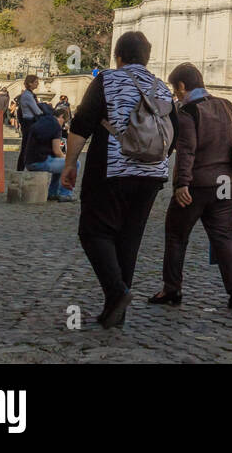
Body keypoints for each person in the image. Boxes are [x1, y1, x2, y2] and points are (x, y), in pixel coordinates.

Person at [61, 31, 176, 329]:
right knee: (129, 239)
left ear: (118, 56)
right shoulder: (163, 88)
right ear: (147, 58)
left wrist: (70, 164)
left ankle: (116, 292)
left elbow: (83, 123)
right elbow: (173, 134)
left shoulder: (107, 80)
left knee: (93, 231)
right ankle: (117, 311)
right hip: (152, 175)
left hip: (112, 169)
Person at [149, 63, 232, 310]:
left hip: (198, 185)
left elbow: (187, 151)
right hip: (227, 183)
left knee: (176, 235)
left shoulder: (188, 112)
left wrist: (182, 184)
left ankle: (172, 288)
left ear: (182, 86)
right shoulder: (226, 105)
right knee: (223, 235)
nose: (176, 94)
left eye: (175, 89)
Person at [23, 105, 76, 201]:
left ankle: (52, 193)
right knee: (74, 163)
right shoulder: (56, 126)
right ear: (61, 117)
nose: (62, 125)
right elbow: (57, 151)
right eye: (63, 122)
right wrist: (65, 157)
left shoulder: (39, 122)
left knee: (60, 162)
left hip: (29, 162)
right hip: (41, 162)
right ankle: (65, 194)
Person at [15, 74, 42, 172]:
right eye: (35, 82)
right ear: (30, 83)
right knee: (26, 147)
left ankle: (24, 169)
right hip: (29, 123)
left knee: (28, 147)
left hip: (29, 122)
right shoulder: (27, 95)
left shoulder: (28, 94)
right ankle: (21, 169)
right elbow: (37, 111)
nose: (37, 84)